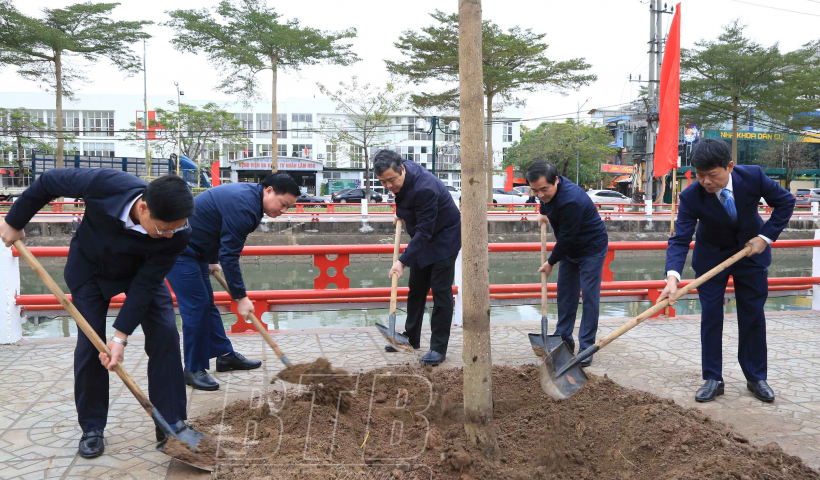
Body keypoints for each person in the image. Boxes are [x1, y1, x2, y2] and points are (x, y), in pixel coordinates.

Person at [0, 168, 202, 458]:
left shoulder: (178, 233)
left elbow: (147, 284)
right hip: (91, 269)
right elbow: (47, 183)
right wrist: (15, 220)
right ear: (143, 207)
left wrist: (120, 338)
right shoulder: (106, 184)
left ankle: (172, 423)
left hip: (141, 274)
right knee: (90, 344)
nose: (170, 234)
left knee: (166, 335)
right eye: (164, 229)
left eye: (176, 228)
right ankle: (92, 427)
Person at [658, 139, 795, 403]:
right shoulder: (690, 196)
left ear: (729, 167)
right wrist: (672, 278)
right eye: (700, 176)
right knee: (711, 316)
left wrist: (765, 237)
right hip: (711, 258)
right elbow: (679, 239)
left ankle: (756, 377)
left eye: (712, 175)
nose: (706, 182)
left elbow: (785, 202)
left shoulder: (753, 176)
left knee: (752, 314)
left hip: (750, 252)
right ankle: (713, 378)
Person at [166, 173, 300, 390]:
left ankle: (224, 355)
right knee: (196, 308)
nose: (283, 211)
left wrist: (210, 259)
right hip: (179, 250)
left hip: (196, 250)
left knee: (206, 305)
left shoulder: (251, 199)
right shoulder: (245, 207)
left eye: (288, 208)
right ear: (268, 191)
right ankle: (193, 369)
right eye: (283, 204)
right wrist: (241, 297)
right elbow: (230, 255)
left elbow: (215, 225)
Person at [374, 150, 461, 366]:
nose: (388, 186)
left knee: (441, 294)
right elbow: (406, 199)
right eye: (383, 182)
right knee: (416, 290)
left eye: (391, 180)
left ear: (401, 169)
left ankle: (438, 348)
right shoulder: (403, 172)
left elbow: (425, 231)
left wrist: (402, 261)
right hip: (424, 236)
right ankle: (411, 338)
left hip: (444, 238)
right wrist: (402, 212)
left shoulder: (425, 188)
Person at [528, 161, 609, 367]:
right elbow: (545, 201)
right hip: (570, 247)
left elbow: (566, 239)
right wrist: (543, 211)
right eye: (535, 190)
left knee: (589, 296)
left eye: (544, 189)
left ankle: (587, 346)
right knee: (565, 294)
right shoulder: (548, 191)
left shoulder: (571, 200)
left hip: (591, 247)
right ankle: (564, 338)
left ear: (556, 181)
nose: (540, 194)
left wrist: (550, 262)